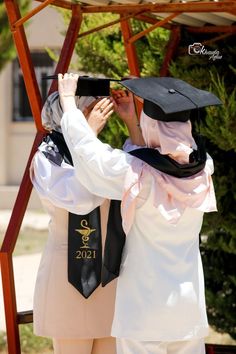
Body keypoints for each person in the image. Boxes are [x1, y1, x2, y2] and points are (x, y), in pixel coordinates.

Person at [58, 73, 221, 354]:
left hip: (144, 311)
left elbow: (90, 155)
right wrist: (133, 121)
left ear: (152, 128)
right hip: (187, 310)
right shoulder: (204, 167)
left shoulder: (136, 174)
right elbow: (156, 159)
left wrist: (69, 104)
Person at [30, 91, 117, 354]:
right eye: (90, 109)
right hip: (67, 279)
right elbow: (80, 198)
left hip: (107, 278)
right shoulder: (46, 157)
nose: (100, 113)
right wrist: (87, 137)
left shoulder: (101, 153)